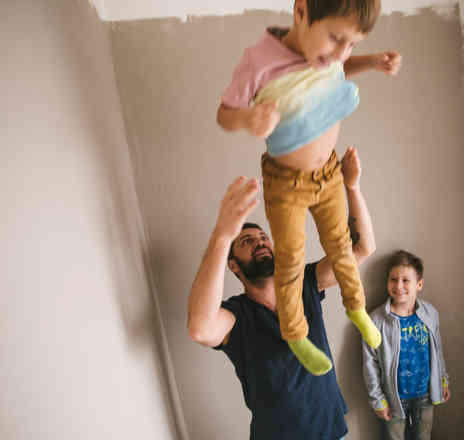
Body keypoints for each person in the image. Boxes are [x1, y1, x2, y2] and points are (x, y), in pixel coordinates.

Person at [216, 0, 402, 375]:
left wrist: (370, 61)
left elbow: (339, 67)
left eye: (352, 43)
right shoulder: (259, 60)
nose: (341, 52)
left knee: (341, 246)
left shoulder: (329, 55)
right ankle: (297, 334)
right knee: (290, 259)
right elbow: (225, 113)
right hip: (286, 183)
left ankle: (357, 309)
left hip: (329, 174)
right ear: (301, 11)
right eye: (336, 38)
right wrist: (249, 119)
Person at [188, 147, 375, 440]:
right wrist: (223, 235)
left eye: (263, 238)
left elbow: (361, 248)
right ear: (233, 265)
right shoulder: (238, 316)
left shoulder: (306, 282)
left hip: (332, 431)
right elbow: (200, 328)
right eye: (247, 241)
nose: (260, 242)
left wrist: (352, 187)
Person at [362, 251, 451, 440]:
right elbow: (370, 364)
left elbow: (437, 351)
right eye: (393, 279)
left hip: (425, 394)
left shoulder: (430, 313)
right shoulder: (376, 320)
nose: (398, 286)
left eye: (405, 280)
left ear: (419, 284)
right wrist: (378, 400)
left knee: (423, 436)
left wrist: (443, 380)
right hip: (393, 398)